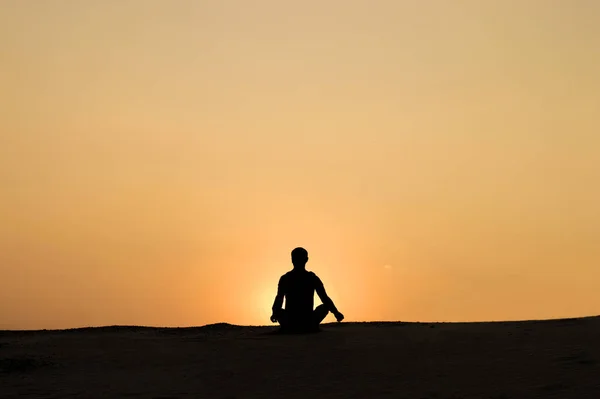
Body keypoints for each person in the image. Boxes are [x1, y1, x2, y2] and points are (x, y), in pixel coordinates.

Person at [270, 247, 344, 332]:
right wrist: (336, 313)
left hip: (293, 321)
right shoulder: (311, 278)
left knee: (325, 306)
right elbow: (324, 298)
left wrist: (275, 313)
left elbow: (279, 299)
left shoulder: (286, 278)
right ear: (306, 259)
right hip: (306, 322)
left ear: (292, 260)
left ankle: (291, 327)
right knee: (325, 306)